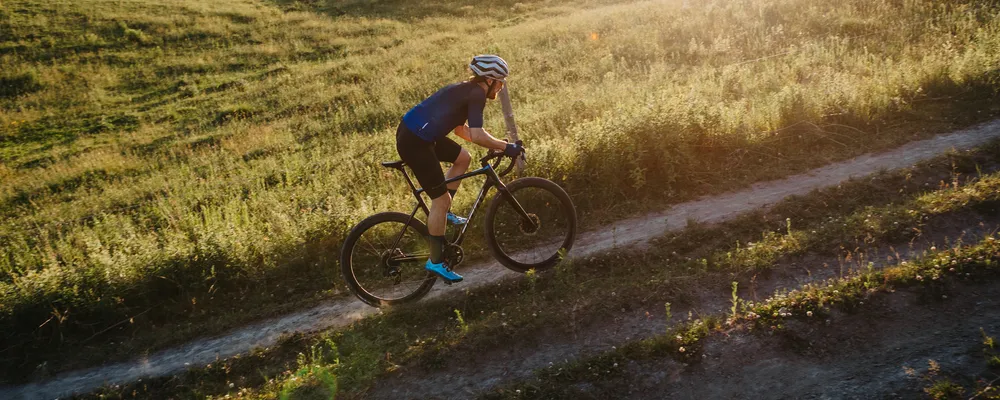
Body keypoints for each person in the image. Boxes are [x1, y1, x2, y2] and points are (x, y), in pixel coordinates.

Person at [395, 54, 525, 283]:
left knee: (463, 158)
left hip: (419, 135)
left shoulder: (467, 90)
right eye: (501, 81)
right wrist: (506, 147)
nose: (502, 86)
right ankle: (435, 261)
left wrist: (498, 145)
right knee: (440, 199)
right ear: (491, 80)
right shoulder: (476, 94)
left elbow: (461, 131)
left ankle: (445, 214)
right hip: (415, 142)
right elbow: (476, 134)